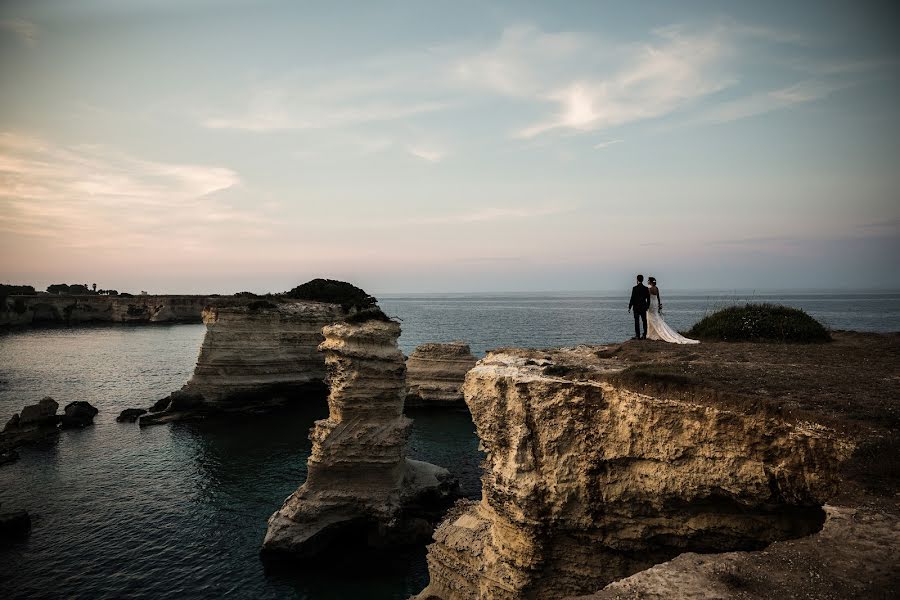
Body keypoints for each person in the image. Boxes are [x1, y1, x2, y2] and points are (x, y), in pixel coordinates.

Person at [646, 276, 699, 344]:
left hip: (651, 304)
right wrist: (659, 305)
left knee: (650, 318)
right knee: (655, 318)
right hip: (655, 304)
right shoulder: (656, 288)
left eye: (648, 280)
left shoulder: (649, 289)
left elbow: (648, 298)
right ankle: (654, 334)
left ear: (650, 281)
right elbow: (658, 297)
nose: (647, 281)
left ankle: (651, 334)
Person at [627, 274, 651, 340]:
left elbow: (632, 298)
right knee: (644, 321)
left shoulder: (634, 288)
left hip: (636, 308)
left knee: (636, 322)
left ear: (637, 280)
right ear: (642, 280)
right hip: (643, 307)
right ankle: (645, 335)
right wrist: (647, 306)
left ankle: (637, 336)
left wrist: (629, 307)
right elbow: (648, 299)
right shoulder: (646, 288)